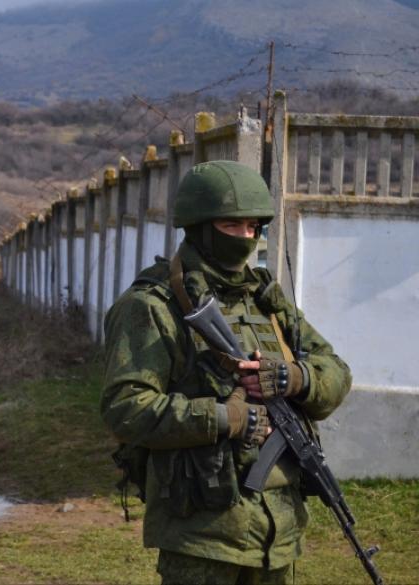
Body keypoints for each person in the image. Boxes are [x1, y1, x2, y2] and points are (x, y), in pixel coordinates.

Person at [100, 160, 352, 584]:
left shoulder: (265, 301)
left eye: (254, 226)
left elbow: (336, 372)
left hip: (279, 533)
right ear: (199, 227)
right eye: (232, 226)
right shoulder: (153, 306)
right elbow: (125, 409)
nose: (246, 237)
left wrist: (294, 377)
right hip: (202, 532)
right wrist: (226, 418)